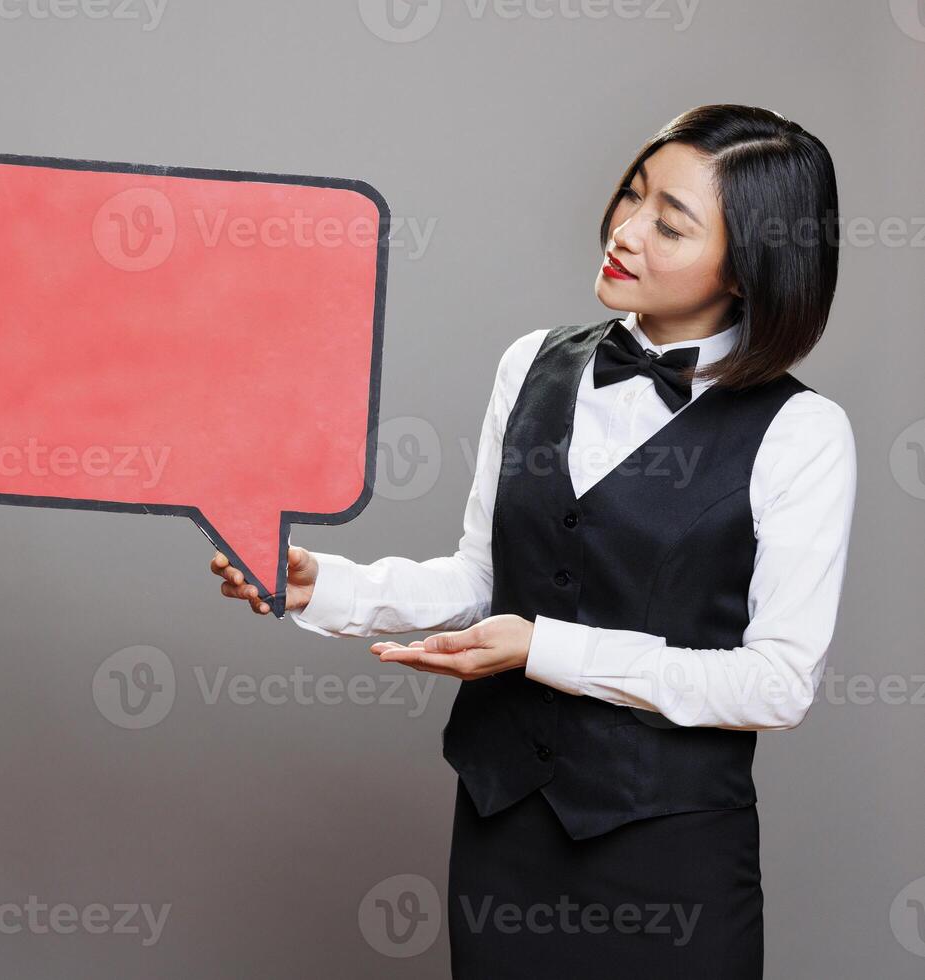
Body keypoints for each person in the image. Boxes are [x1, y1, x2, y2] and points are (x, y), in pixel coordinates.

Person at [209, 104, 856, 979]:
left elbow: (777, 683)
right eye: (631, 194)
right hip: (501, 831)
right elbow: (481, 577)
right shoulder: (531, 362)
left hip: (670, 862)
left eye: (667, 223)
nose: (623, 230)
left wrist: (544, 647)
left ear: (748, 270)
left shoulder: (801, 433)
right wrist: (320, 587)